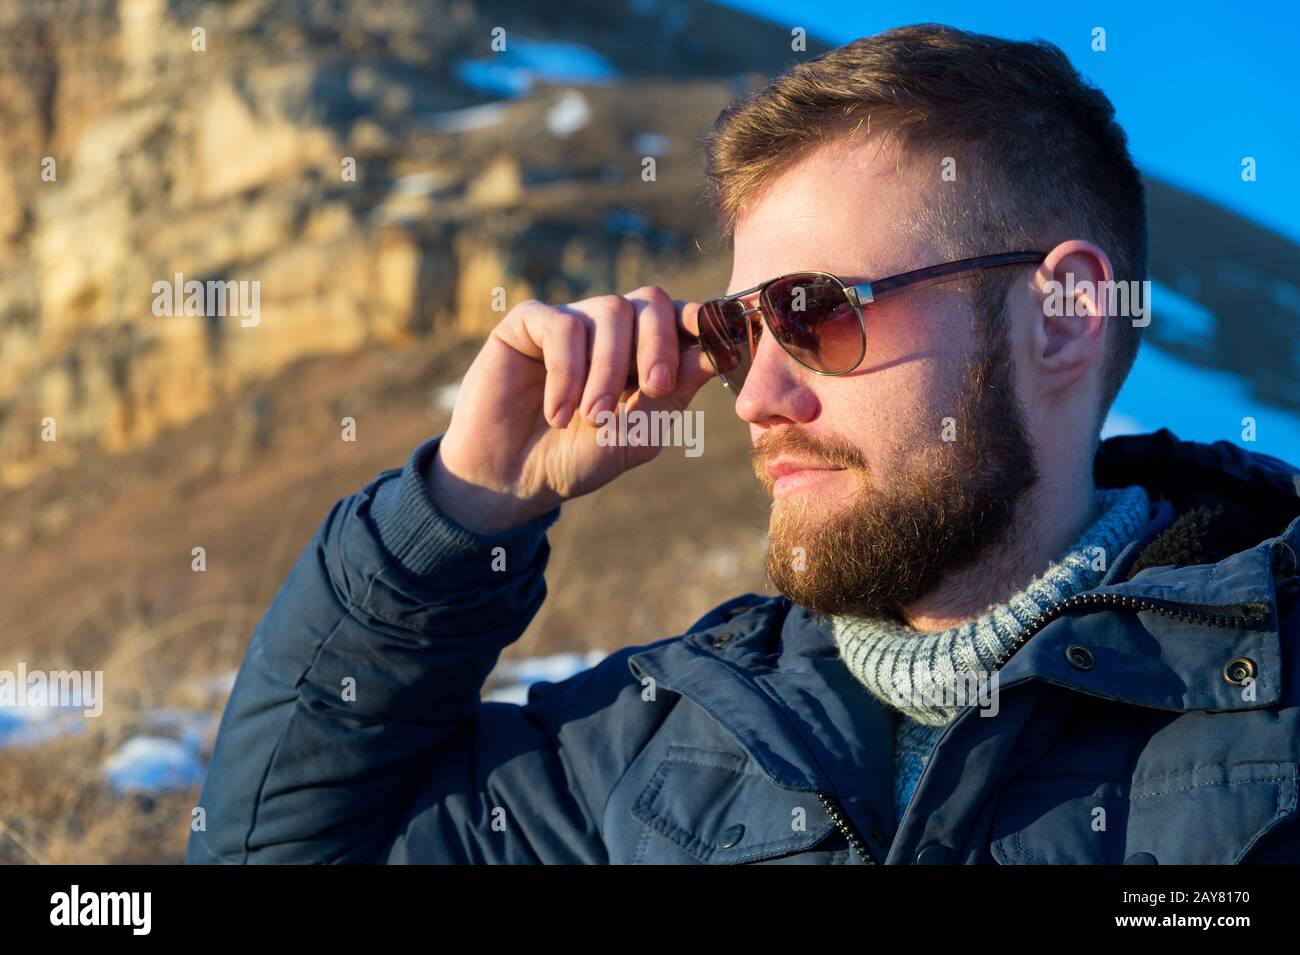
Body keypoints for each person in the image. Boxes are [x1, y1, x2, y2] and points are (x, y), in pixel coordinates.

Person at [188, 24, 1300, 864]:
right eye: (732, 329)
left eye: (814, 312)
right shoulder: (648, 752)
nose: (754, 395)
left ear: (1059, 316)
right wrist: (467, 503)